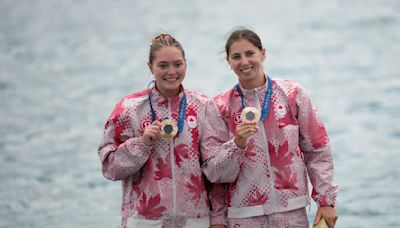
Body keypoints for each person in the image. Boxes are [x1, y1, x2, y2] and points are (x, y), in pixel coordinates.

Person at [201, 28, 339, 227]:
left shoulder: (293, 94)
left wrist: (326, 201)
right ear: (228, 62)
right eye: (236, 57)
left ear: (262, 54)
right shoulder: (219, 107)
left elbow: (318, 149)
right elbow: (214, 174)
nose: (244, 62)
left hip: (291, 212)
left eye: (250, 53)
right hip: (243, 217)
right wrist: (237, 145)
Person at [98, 33, 226, 228]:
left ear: (185, 64)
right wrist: (142, 144)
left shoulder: (204, 107)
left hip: (194, 222)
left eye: (177, 64)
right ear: (150, 67)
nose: (171, 72)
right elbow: (110, 168)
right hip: (145, 222)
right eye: (163, 65)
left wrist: (218, 220)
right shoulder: (129, 109)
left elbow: (215, 171)